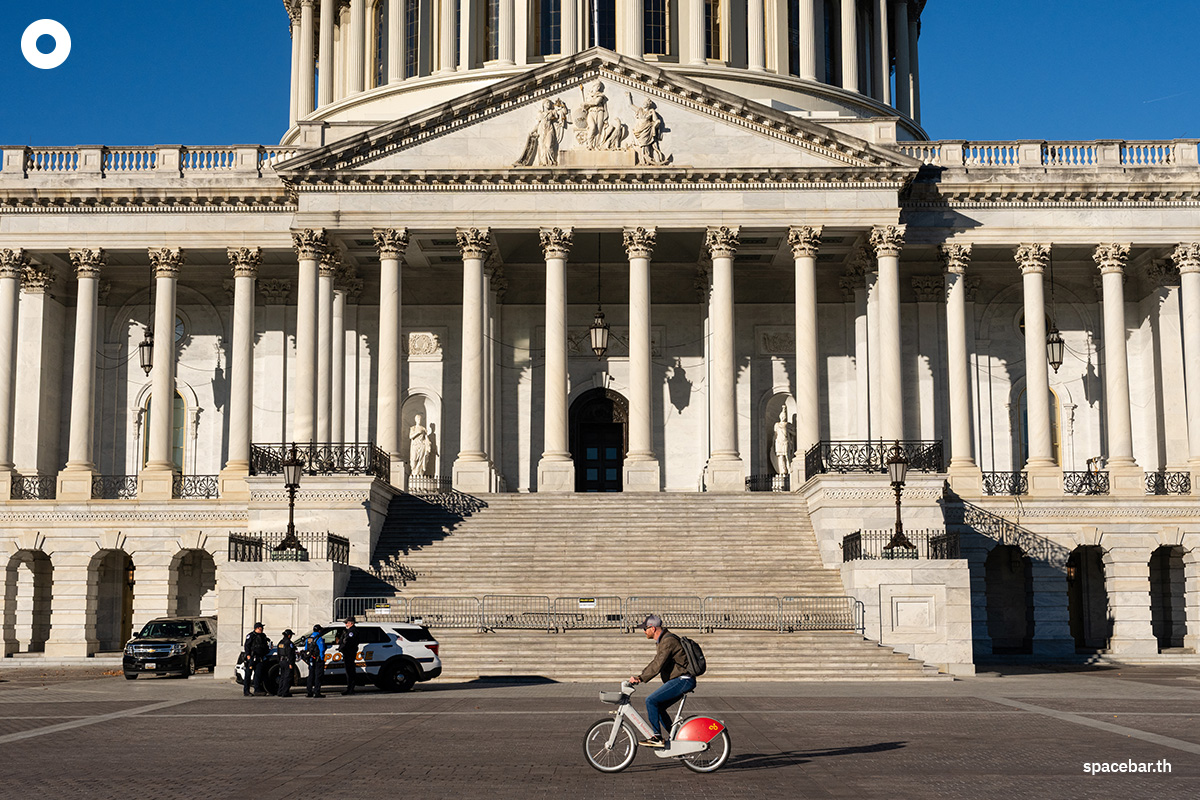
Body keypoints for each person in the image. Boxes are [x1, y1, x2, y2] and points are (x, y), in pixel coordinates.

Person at [628, 614, 695, 748]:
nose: (644, 632)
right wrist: (640, 675)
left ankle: (657, 737)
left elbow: (658, 664)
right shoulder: (664, 640)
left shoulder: (668, 641)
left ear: (652, 628)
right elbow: (656, 661)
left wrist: (640, 678)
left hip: (683, 680)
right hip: (681, 680)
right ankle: (676, 737)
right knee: (658, 707)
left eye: (645, 628)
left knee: (651, 701)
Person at [243, 622, 270, 697]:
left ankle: (257, 690)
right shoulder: (251, 636)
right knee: (248, 674)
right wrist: (248, 655)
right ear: (256, 628)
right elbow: (247, 646)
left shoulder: (263, 636)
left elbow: (265, 646)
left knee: (258, 674)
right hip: (252, 658)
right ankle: (246, 691)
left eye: (262, 628)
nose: (261, 629)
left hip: (260, 658)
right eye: (260, 628)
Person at [335, 616, 360, 695]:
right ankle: (350, 688)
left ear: (351, 623)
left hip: (349, 653)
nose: (345, 624)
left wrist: (343, 648)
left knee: (350, 671)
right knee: (349, 671)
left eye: (346, 623)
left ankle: (350, 689)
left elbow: (349, 642)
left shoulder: (352, 631)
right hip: (348, 653)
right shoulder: (348, 631)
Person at [305, 624, 327, 698]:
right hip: (318, 659)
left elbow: (306, 649)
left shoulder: (308, 639)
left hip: (311, 659)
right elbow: (322, 649)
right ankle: (317, 692)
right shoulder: (319, 638)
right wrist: (322, 657)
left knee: (311, 675)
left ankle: (309, 692)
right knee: (318, 676)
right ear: (319, 630)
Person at [276, 629, 297, 697]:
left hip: (282, 661)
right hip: (287, 662)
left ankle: (280, 691)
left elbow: (278, 653)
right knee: (287, 677)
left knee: (282, 677)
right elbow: (290, 653)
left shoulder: (281, 642)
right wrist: (291, 663)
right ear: (289, 635)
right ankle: (285, 692)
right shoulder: (289, 643)